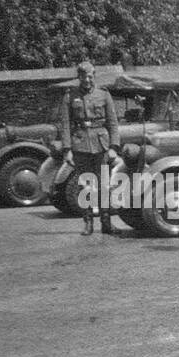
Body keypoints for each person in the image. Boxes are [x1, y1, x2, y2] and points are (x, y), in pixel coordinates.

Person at [58, 61, 120, 235]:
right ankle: (88, 223)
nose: (87, 80)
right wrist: (67, 149)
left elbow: (113, 122)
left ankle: (107, 223)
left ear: (94, 76)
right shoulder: (70, 96)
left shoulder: (104, 94)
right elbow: (65, 124)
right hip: (80, 146)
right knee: (85, 185)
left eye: (90, 76)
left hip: (101, 145)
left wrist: (114, 146)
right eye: (84, 77)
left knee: (104, 185)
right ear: (79, 77)